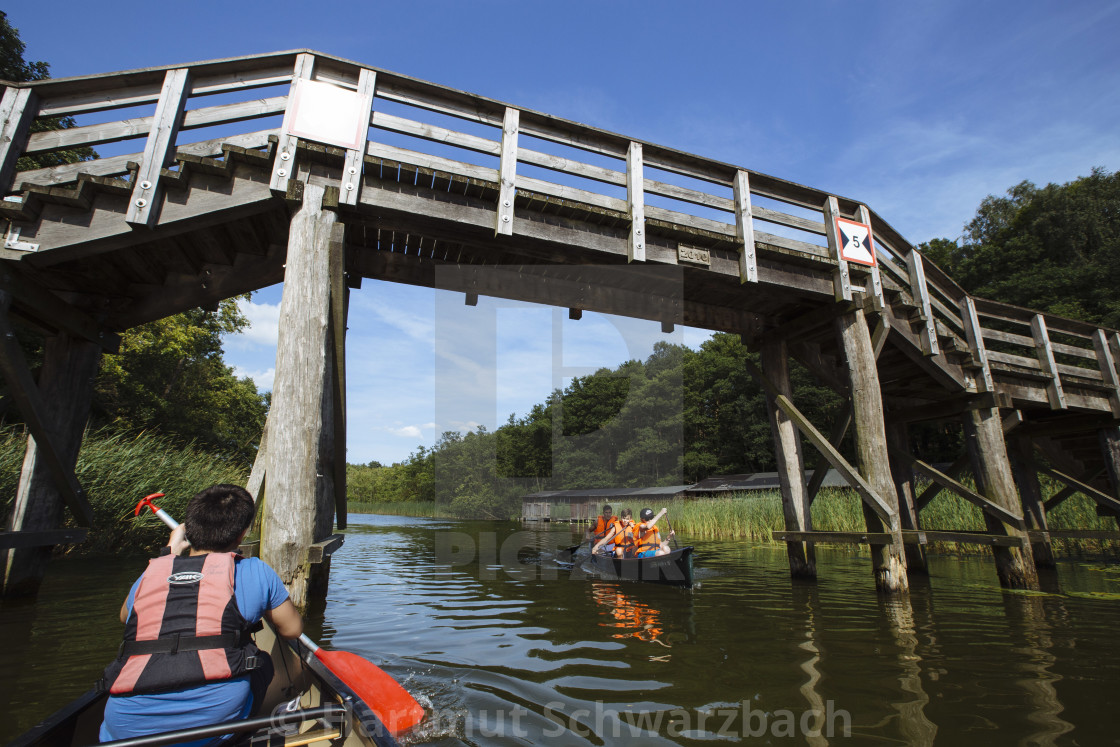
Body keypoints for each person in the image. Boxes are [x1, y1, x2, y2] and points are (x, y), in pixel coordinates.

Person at [99, 485, 303, 746]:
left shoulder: (154, 571)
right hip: (211, 727)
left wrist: (170, 552)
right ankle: (259, 726)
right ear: (241, 534)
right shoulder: (255, 570)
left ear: (189, 529)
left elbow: (126, 616)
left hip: (122, 729)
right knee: (264, 661)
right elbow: (292, 630)